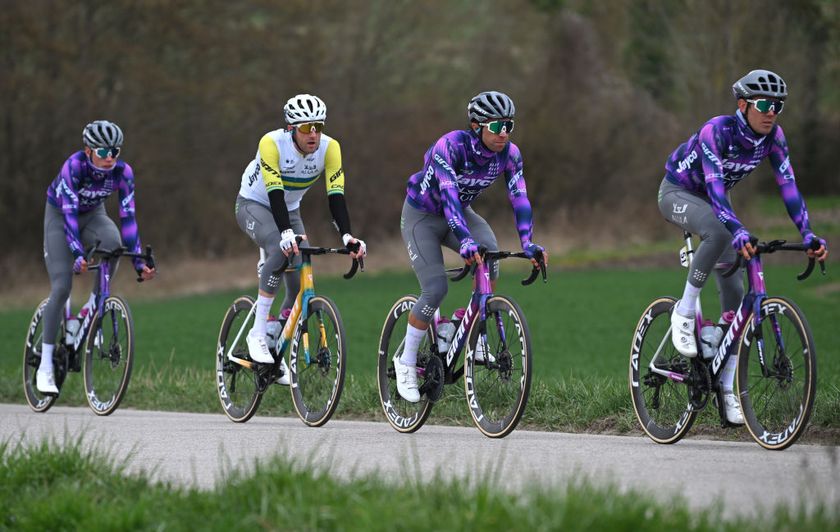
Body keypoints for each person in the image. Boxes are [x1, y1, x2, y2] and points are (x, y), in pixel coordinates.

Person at [658, 69, 828, 424]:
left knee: (736, 300)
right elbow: (716, 188)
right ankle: (684, 311)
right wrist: (735, 229)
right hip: (679, 193)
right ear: (743, 105)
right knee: (721, 233)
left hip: (715, 202)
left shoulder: (774, 138)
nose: (771, 112)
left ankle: (726, 386)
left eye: (778, 106)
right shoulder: (716, 131)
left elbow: (789, 187)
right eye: (764, 104)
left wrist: (809, 233)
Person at [395, 90, 546, 403]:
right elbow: (449, 198)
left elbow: (519, 198)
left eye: (509, 125)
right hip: (423, 217)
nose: (503, 132)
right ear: (477, 126)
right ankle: (406, 362)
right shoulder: (449, 146)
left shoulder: (510, 154)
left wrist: (528, 242)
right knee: (435, 289)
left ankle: (469, 328)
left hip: (461, 213)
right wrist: (463, 239)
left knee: (490, 255)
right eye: (496, 126)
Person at [235, 94, 366, 383]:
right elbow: (275, 193)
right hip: (254, 205)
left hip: (290, 210)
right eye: (306, 128)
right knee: (279, 249)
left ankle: (275, 338)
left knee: (298, 281)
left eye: (318, 126)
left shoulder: (331, 149)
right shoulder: (271, 143)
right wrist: (284, 234)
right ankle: (257, 332)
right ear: (291, 128)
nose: (314, 134)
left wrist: (347, 236)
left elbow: (336, 196)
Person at [39, 120, 156, 394]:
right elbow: (68, 214)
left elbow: (128, 220)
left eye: (115, 151)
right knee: (62, 286)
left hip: (93, 215)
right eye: (103, 152)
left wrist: (140, 262)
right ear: (88, 150)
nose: (110, 158)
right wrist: (77, 253)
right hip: (60, 217)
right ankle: (45, 365)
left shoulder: (123, 173)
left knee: (114, 244)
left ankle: (93, 307)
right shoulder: (74, 166)